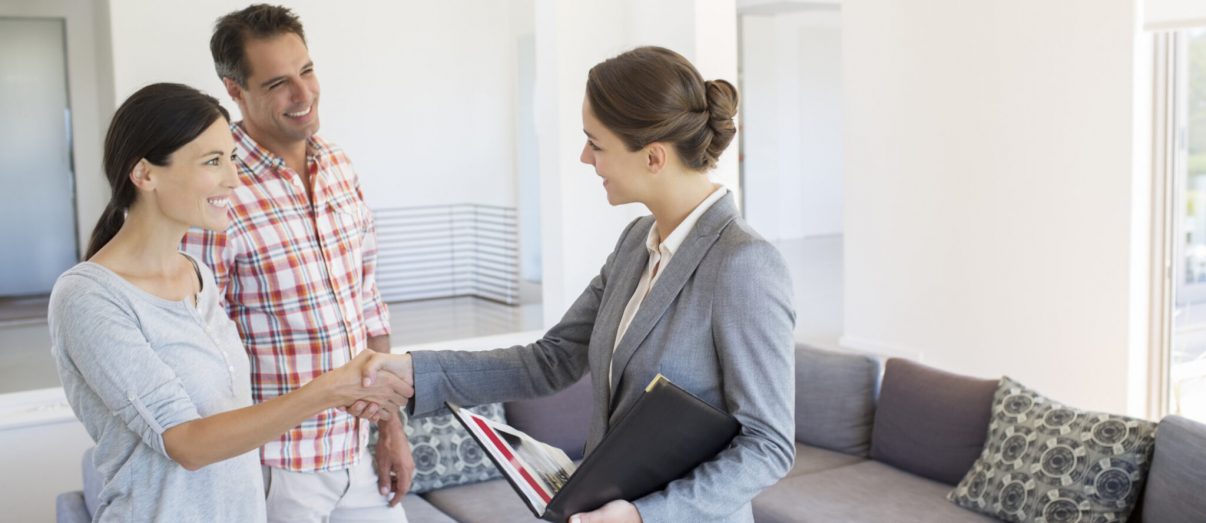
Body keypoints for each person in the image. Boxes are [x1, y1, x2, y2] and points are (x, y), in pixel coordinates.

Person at [360, 46, 797, 523]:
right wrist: (412, 371)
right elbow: (552, 360)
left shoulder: (744, 263)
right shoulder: (636, 243)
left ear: (653, 157)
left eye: (597, 143)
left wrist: (640, 516)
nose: (584, 157)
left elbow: (768, 445)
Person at [48, 83, 411, 522]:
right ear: (144, 174)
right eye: (213, 162)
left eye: (232, 159)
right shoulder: (89, 297)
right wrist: (328, 389)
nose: (234, 179)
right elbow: (187, 442)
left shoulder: (196, 275)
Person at [180, 5, 414, 521]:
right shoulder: (216, 189)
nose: (304, 95)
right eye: (278, 83)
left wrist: (391, 428)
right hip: (274, 465)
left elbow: (368, 304)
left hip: (357, 450)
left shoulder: (339, 165)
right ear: (235, 90)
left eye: (307, 71)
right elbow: (198, 345)